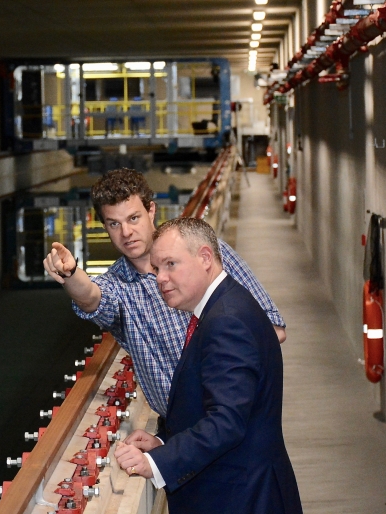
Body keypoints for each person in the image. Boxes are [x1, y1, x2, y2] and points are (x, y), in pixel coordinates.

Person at [43, 168, 285, 419]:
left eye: (134, 218)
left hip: (236, 416)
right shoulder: (120, 287)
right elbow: (92, 297)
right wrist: (70, 273)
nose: (126, 233)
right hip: (180, 430)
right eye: (114, 224)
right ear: (105, 226)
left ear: (151, 211)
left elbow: (273, 328)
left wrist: (221, 384)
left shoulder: (207, 252)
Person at [114, 217, 302, 514]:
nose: (160, 278)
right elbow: (212, 405)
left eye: (170, 264)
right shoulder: (222, 307)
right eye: (156, 269)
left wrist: (156, 463)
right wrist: (164, 440)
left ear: (204, 257)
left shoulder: (226, 321)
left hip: (243, 497)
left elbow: (226, 422)